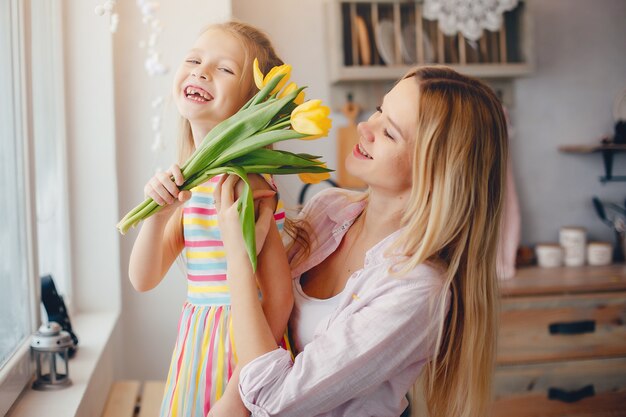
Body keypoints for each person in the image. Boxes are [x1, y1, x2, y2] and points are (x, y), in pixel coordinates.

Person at [214, 66, 508, 417]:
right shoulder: (328, 210)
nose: (364, 127)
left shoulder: (416, 290)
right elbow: (266, 312)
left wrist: (237, 260)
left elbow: (276, 399)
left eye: (390, 133)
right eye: (380, 110)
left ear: (436, 170)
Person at [127, 21, 293, 417]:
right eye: (195, 60)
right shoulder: (191, 180)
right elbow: (143, 278)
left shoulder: (248, 184)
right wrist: (158, 214)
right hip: (198, 344)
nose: (201, 71)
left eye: (225, 69)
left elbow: (279, 299)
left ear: (253, 104)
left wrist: (238, 394)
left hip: (241, 347)